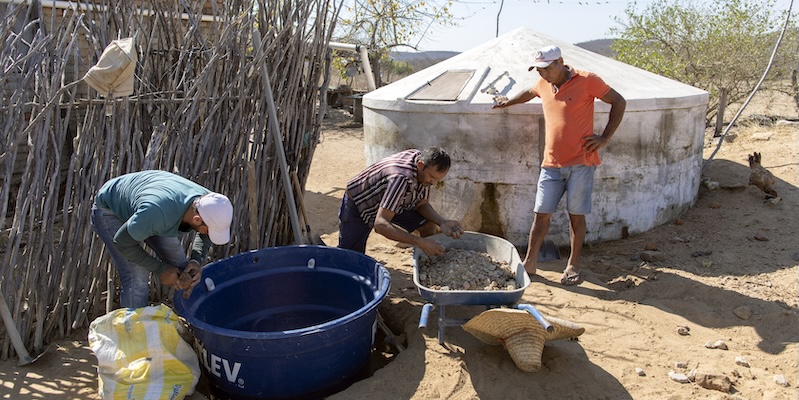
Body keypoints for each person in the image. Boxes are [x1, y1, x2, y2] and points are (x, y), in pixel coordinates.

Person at [492, 45, 626, 286]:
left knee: (576, 216)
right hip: (551, 164)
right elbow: (530, 92)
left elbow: (619, 101)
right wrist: (507, 102)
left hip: (581, 163)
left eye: (545, 69)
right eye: (538, 69)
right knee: (541, 214)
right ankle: (530, 262)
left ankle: (573, 264)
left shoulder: (587, 80)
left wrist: (604, 138)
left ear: (560, 62)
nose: (542, 74)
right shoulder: (543, 84)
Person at [91, 170, 233, 308]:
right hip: (111, 208)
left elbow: (204, 234)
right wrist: (160, 269)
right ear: (196, 219)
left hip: (149, 206)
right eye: (210, 230)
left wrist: (196, 260)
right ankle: (131, 330)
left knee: (183, 267)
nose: (209, 234)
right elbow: (122, 242)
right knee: (137, 276)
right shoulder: (157, 214)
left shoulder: (210, 202)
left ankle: (195, 314)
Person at [338, 147, 463, 256]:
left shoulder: (422, 164)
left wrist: (442, 222)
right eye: (432, 177)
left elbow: (421, 204)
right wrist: (420, 243)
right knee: (351, 255)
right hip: (361, 202)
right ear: (420, 165)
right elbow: (381, 224)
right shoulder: (401, 178)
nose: (433, 183)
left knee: (428, 226)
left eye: (437, 179)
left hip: (394, 200)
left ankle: (430, 262)